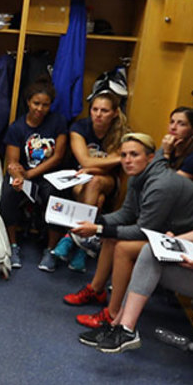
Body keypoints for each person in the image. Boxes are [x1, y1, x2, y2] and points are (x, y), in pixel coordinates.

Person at [82, 121, 193, 352]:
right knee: (149, 250)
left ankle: (122, 327)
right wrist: (178, 240)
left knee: (140, 253)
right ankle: (120, 326)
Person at [62, 133, 193, 330]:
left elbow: (142, 230)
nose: (127, 160)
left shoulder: (161, 184)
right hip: (167, 233)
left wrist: (96, 229)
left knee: (123, 247)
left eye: (134, 155)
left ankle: (112, 314)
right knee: (111, 234)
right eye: (123, 155)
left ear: (150, 158)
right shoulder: (138, 178)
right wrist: (96, 221)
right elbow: (126, 214)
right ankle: (96, 290)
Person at [52, 92, 128, 271]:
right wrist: (115, 160)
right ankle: (83, 249)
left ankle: (71, 236)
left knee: (95, 182)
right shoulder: (80, 127)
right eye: (95, 109)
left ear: (115, 113)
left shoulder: (122, 134)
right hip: (81, 179)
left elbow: (98, 167)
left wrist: (93, 167)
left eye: (104, 111)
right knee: (97, 198)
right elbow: (85, 162)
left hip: (108, 181)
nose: (98, 114)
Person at [0, 82, 69, 271]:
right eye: (36, 103)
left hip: (49, 175)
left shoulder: (58, 122)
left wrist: (29, 174)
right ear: (28, 102)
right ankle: (12, 246)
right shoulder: (17, 127)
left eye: (45, 105)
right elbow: (12, 162)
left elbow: (57, 157)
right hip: (24, 173)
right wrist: (18, 177)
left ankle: (51, 250)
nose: (40, 108)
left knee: (57, 197)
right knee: (8, 194)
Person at [161, 107, 193, 181]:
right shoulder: (170, 146)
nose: (173, 127)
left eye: (181, 124)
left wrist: (166, 153)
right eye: (172, 122)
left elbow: (168, 183)